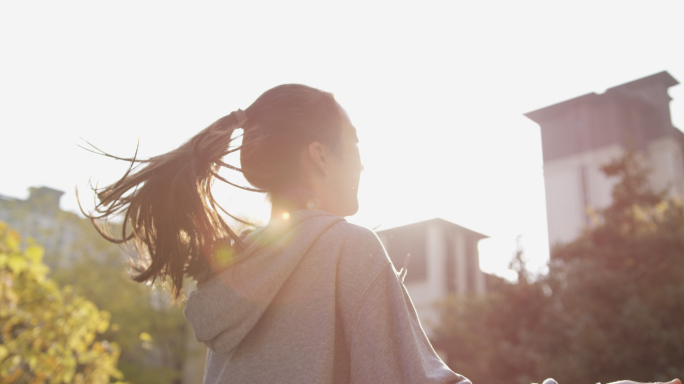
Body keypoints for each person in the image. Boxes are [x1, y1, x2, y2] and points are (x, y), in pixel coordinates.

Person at [85, 84, 681, 384]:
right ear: (320, 155)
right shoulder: (344, 248)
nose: (365, 165)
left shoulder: (229, 279)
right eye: (357, 149)